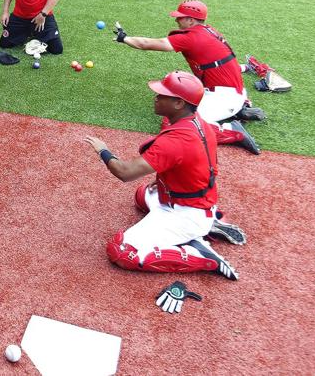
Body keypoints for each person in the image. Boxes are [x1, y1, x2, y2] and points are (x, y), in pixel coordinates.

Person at [84, 71, 246, 280]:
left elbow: (124, 172)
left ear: (179, 103)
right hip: (195, 200)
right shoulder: (198, 122)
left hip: (186, 214)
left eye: (163, 95)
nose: (156, 98)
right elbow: (197, 164)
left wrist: (103, 150)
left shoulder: (175, 140)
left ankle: (199, 255)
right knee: (141, 196)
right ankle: (208, 224)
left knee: (121, 252)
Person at [113, 0, 262, 155]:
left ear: (191, 20)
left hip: (224, 98)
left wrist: (124, 38)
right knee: (180, 98)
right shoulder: (208, 30)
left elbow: (146, 43)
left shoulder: (191, 38)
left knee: (175, 124)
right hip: (230, 92)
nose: (176, 20)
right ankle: (239, 110)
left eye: (180, 17)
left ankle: (234, 131)